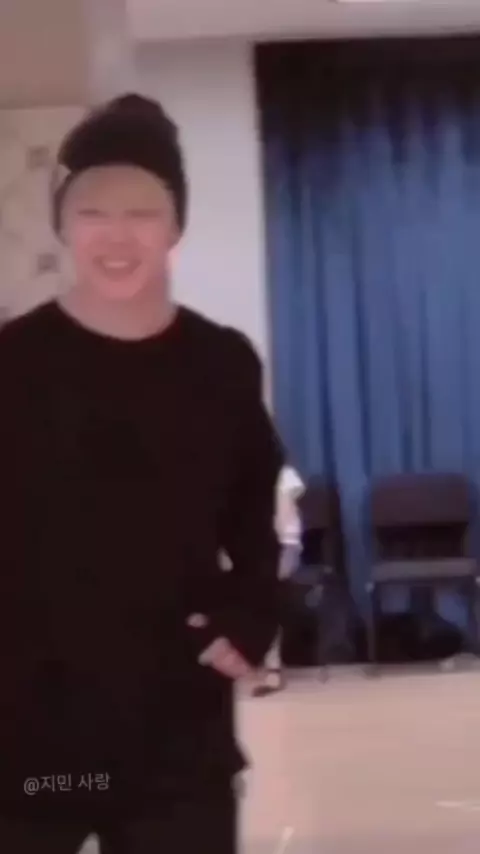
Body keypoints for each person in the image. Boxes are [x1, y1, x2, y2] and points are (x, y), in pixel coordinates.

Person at [0, 94, 283, 853]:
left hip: (174, 744)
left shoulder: (221, 365)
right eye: (93, 211)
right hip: (34, 750)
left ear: (175, 225)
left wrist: (250, 618)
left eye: (142, 212)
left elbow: (253, 525)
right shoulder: (13, 365)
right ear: (62, 223)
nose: (117, 235)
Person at [252, 465, 304, 696]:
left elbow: (288, 518)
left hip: (284, 546)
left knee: (267, 590)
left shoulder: (285, 475)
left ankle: (273, 667)